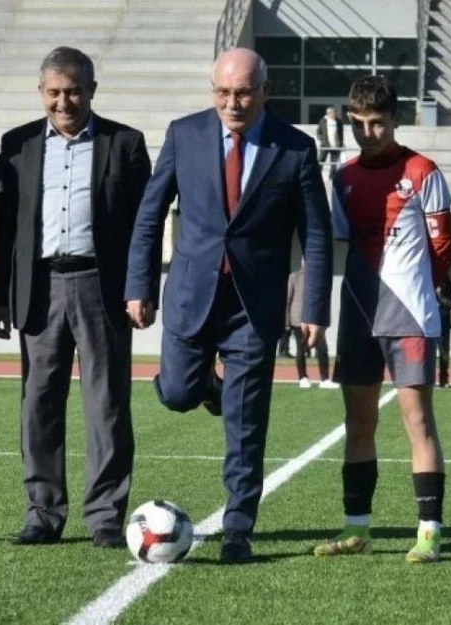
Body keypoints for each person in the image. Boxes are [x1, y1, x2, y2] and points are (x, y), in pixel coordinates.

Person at [124, 48, 333, 564]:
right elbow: (150, 215)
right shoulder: (184, 134)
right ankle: (212, 387)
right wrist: (139, 285)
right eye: (222, 92)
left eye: (242, 92)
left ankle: (239, 526)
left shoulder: (296, 149)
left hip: (254, 306)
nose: (232, 103)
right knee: (175, 392)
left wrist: (312, 306)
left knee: (246, 423)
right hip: (191, 295)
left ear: (265, 91)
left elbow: (317, 235)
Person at [0, 47, 152, 549]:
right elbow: (4, 228)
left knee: (106, 405)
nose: (65, 102)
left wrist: (141, 288)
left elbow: (143, 227)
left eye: (75, 90)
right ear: (41, 93)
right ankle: (43, 513)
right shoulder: (15, 145)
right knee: (38, 404)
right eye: (55, 92)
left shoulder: (124, 143)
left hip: (101, 287)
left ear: (92, 91)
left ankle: (105, 516)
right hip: (39, 288)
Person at [312, 75, 451, 564]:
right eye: (359, 124)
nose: (368, 132)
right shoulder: (344, 177)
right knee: (359, 422)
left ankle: (430, 533)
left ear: (396, 120)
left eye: (377, 123)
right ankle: (358, 530)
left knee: (417, 421)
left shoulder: (422, 171)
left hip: (410, 314)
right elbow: (340, 243)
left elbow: (442, 247)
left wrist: (419, 292)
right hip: (357, 311)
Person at [287, 263, 336, 388]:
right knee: (301, 349)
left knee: (322, 349)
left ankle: (325, 379)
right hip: (297, 319)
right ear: (302, 262)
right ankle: (302, 377)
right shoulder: (294, 277)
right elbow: (288, 299)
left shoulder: (319, 276)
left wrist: (325, 320)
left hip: (315, 320)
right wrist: (286, 322)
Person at [435, 274, 451, 388]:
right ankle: (428, 379)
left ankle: (444, 378)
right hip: (428, 322)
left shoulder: (446, 279)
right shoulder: (427, 276)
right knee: (428, 354)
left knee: (444, 353)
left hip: (444, 322)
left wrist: (442, 300)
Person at [316, 105, 344, 175]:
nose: (335, 113)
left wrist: (341, 143)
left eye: (335, 112)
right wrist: (322, 139)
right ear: (329, 113)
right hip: (325, 145)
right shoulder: (323, 121)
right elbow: (318, 132)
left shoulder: (339, 122)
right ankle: (317, 177)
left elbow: (341, 134)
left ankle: (332, 179)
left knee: (334, 165)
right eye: (333, 112)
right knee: (320, 162)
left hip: (336, 146)